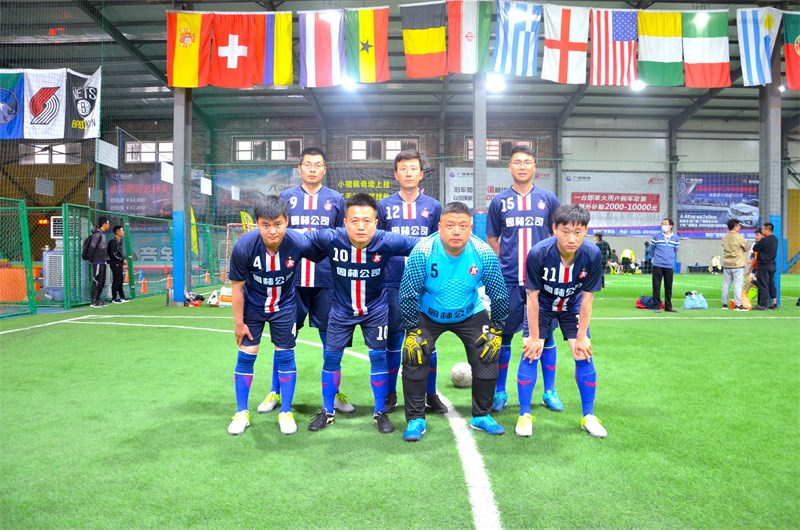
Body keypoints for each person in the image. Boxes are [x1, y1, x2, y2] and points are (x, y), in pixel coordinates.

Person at [305, 193, 418, 434]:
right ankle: (327, 411)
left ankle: (380, 412)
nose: (360, 226)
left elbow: (423, 244)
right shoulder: (330, 238)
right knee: (331, 358)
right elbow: (296, 239)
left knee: (378, 357)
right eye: (354, 220)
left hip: (375, 310)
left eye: (367, 221)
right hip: (341, 310)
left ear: (376, 223)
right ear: (344, 222)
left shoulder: (387, 241)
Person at [399, 202, 510, 441]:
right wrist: (412, 329)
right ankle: (416, 419)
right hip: (428, 313)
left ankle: (482, 415)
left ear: (471, 228)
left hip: (469, 312)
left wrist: (497, 330)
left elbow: (499, 294)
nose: (456, 231)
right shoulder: (423, 251)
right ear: (440, 227)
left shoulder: (483, 253)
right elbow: (407, 293)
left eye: (462, 226)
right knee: (414, 354)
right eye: (450, 226)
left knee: (488, 352)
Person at [258, 147, 353, 415]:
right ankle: (275, 391)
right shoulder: (286, 198)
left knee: (331, 341)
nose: (312, 169)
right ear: (299, 169)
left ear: (325, 169)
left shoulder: (336, 199)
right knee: (283, 340)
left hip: (326, 280)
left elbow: (341, 238)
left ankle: (333, 394)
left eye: (318, 165)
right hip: (292, 280)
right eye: (307, 164)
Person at [226, 196, 323, 436]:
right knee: (246, 355)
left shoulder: (298, 243)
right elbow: (237, 289)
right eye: (265, 225)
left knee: (286, 355)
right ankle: (241, 412)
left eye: (278, 224)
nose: (272, 231)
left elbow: (324, 251)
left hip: (285, 306)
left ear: (286, 221)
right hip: (253, 308)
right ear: (256, 223)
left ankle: (286, 412)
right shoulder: (244, 247)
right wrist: (239, 324)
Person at [519, 204, 607, 438]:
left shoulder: (592, 254)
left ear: (586, 231)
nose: (571, 238)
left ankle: (588, 416)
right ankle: (524, 415)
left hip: (572, 305)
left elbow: (587, 298)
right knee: (530, 351)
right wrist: (534, 337)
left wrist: (581, 336)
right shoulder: (538, 253)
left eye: (578, 232)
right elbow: (532, 297)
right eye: (565, 231)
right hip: (543, 304)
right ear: (554, 229)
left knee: (583, 353)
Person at [486, 145, 561, 414]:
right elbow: (492, 238)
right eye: (517, 162)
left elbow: (557, 235)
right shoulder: (499, 201)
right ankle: (500, 392)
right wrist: (506, 262)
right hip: (509, 281)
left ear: (534, 167)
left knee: (546, 337)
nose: (522, 166)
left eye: (527, 162)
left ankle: (549, 391)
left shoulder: (548, 199)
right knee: (503, 336)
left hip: (542, 284)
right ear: (510, 167)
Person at [377, 150, 444, 414]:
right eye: (403, 169)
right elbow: (378, 244)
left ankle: (431, 394)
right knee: (394, 340)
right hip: (392, 283)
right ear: (396, 174)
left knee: (427, 341)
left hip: (425, 285)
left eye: (413, 168)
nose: (408, 173)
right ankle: (390, 394)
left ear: (421, 174)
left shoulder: (434, 206)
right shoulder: (383, 206)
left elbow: (438, 245)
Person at [651, 218, 680, 313]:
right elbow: (652, 249)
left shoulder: (676, 238)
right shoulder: (656, 236)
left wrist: (669, 259)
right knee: (656, 286)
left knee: (668, 286)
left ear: (671, 226)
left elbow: (675, 250)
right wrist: (656, 258)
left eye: (666, 224)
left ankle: (668, 306)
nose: (663, 226)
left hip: (669, 265)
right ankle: (657, 306)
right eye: (662, 224)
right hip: (658, 265)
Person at [721, 218, 749, 311]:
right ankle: (738, 305)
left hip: (727, 264)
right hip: (737, 264)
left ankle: (724, 304)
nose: (740, 227)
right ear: (735, 226)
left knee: (726, 285)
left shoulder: (725, 237)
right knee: (737, 285)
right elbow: (747, 247)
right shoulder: (739, 237)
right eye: (739, 225)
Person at [752, 222, 778, 310]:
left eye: (763, 229)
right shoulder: (775, 239)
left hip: (764, 265)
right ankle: (774, 303)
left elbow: (755, 247)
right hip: (772, 264)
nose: (762, 230)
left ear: (767, 230)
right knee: (771, 283)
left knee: (762, 284)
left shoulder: (765, 240)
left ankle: (763, 304)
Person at [86, 216, 110, 308]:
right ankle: (94, 301)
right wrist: (90, 259)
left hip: (102, 261)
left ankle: (98, 299)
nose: (109, 225)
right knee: (97, 281)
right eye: (108, 223)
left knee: (102, 282)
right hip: (97, 261)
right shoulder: (97, 235)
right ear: (104, 224)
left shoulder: (103, 234)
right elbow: (92, 247)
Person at [107, 225, 128, 303]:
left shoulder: (119, 241)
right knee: (116, 280)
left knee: (120, 280)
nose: (123, 232)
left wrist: (122, 260)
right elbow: (113, 254)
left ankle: (122, 297)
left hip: (119, 263)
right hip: (115, 263)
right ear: (118, 232)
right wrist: (121, 260)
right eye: (122, 230)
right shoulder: (113, 241)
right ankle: (114, 298)